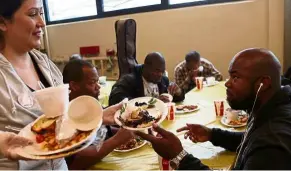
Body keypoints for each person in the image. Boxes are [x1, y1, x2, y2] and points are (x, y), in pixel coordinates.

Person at [136, 48, 291, 170]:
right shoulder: (269, 110)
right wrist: (212, 134)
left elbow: (260, 144)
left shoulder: (272, 145)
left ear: (262, 83)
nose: (227, 83)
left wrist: (179, 156)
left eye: (235, 78)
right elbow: (249, 140)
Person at [0, 0, 69, 169]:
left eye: (41, 13)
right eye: (32, 14)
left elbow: (64, 119)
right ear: (2, 23)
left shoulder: (45, 64)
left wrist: (99, 117)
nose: (42, 23)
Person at [62, 59, 134, 170]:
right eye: (92, 83)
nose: (98, 87)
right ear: (74, 86)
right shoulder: (65, 117)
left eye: (97, 81)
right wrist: (117, 140)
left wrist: (130, 132)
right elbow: (77, 161)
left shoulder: (91, 105)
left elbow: (104, 134)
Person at [109, 52, 184, 105]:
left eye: (162, 71)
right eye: (157, 70)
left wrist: (178, 92)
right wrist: (151, 102)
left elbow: (175, 99)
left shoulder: (163, 80)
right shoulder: (129, 80)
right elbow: (114, 100)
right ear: (146, 67)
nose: (160, 74)